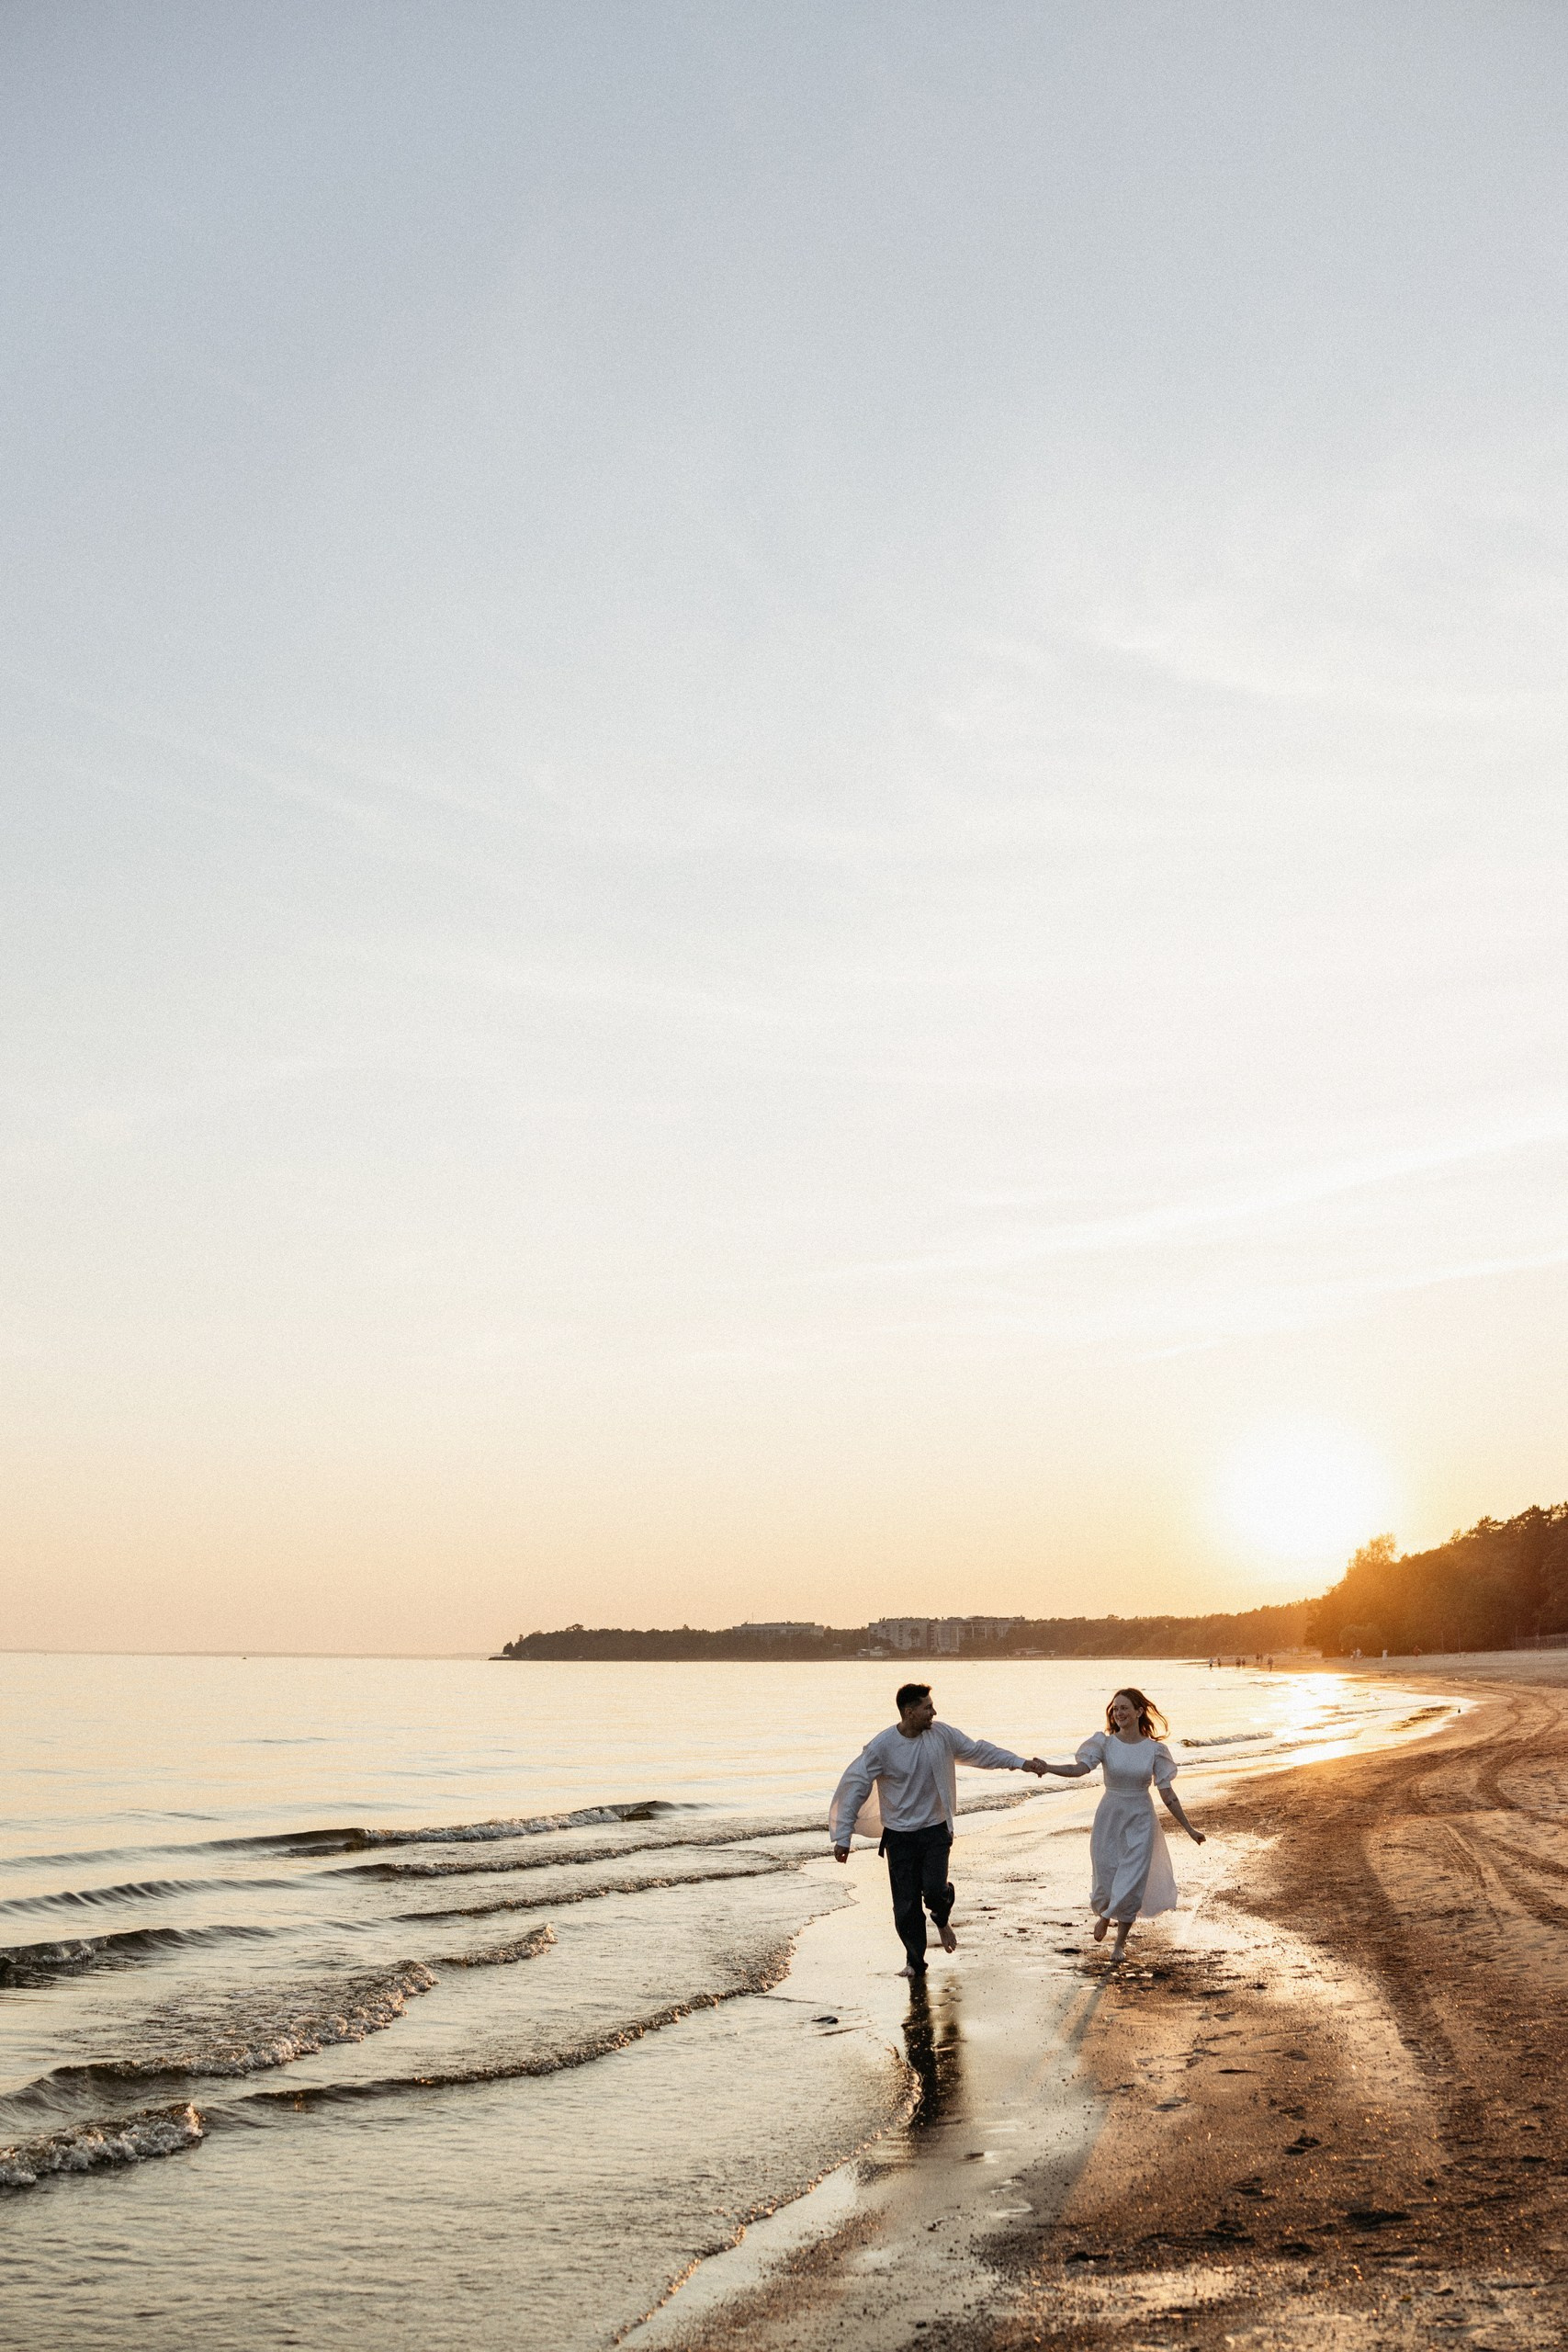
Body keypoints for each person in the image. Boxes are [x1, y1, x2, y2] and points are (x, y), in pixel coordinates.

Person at [830, 1682, 1046, 1978]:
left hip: (935, 1829)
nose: (934, 1712)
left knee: (933, 1892)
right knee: (905, 1906)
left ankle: (941, 1916)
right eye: (927, 1707)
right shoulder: (882, 1747)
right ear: (910, 1712)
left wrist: (1019, 1763)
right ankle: (915, 1963)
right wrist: (843, 1837)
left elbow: (979, 1752)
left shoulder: (941, 1734)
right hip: (899, 1836)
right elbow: (855, 1787)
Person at [1038, 1687, 1204, 1962]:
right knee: (1106, 1875)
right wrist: (1049, 1767)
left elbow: (1167, 1794)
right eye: (1115, 1709)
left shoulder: (1154, 1750)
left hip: (1141, 1818)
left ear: (1139, 1711)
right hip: (1110, 1816)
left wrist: (1189, 1828)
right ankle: (1104, 1912)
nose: (1119, 1713)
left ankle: (1119, 1944)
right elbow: (1079, 1770)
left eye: (1125, 1708)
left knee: (1133, 1880)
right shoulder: (1104, 1744)